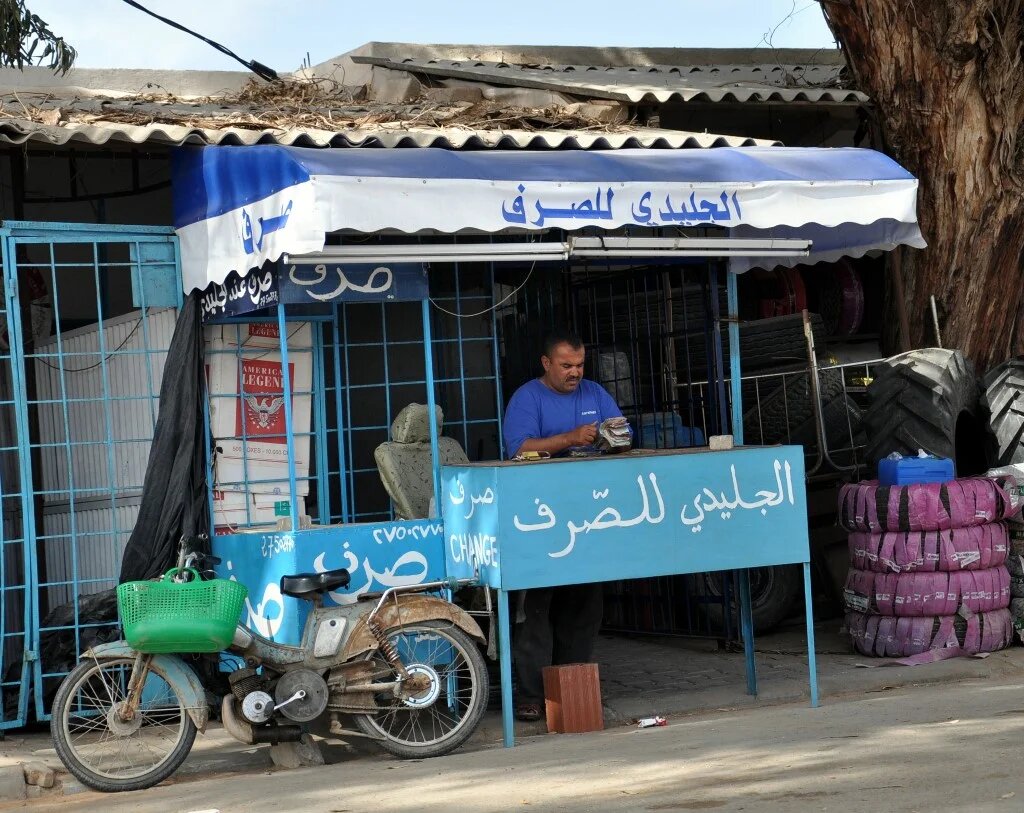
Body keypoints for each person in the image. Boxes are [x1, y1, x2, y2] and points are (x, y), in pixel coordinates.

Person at [502, 330, 631, 722]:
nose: (575, 373)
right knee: (535, 612)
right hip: (538, 522)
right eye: (566, 366)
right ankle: (530, 694)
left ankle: (570, 688)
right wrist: (570, 439)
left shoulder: (594, 393)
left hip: (588, 521)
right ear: (546, 364)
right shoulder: (528, 397)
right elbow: (518, 448)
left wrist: (613, 439)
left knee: (584, 607)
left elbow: (623, 430)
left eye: (579, 365)